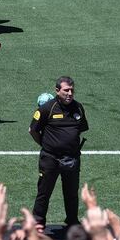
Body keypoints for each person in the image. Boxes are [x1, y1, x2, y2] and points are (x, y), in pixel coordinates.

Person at [29, 76, 88, 229]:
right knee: (44, 192)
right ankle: (38, 222)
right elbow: (33, 130)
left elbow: (80, 129)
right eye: (66, 90)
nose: (69, 93)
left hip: (72, 159)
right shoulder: (47, 109)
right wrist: (45, 144)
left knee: (72, 193)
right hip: (50, 159)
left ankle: (72, 221)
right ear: (57, 91)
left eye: (72, 90)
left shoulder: (78, 108)